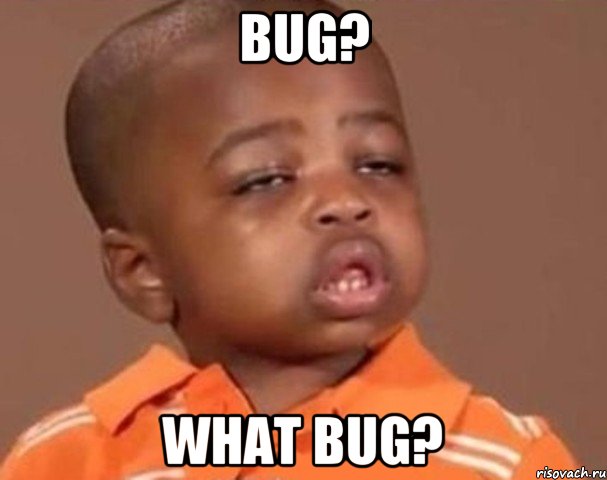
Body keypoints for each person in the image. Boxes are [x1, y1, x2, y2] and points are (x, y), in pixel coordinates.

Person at [0, 0, 578, 478]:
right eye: (267, 179)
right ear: (143, 272)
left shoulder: (516, 460)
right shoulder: (63, 459)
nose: (345, 200)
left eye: (377, 164)